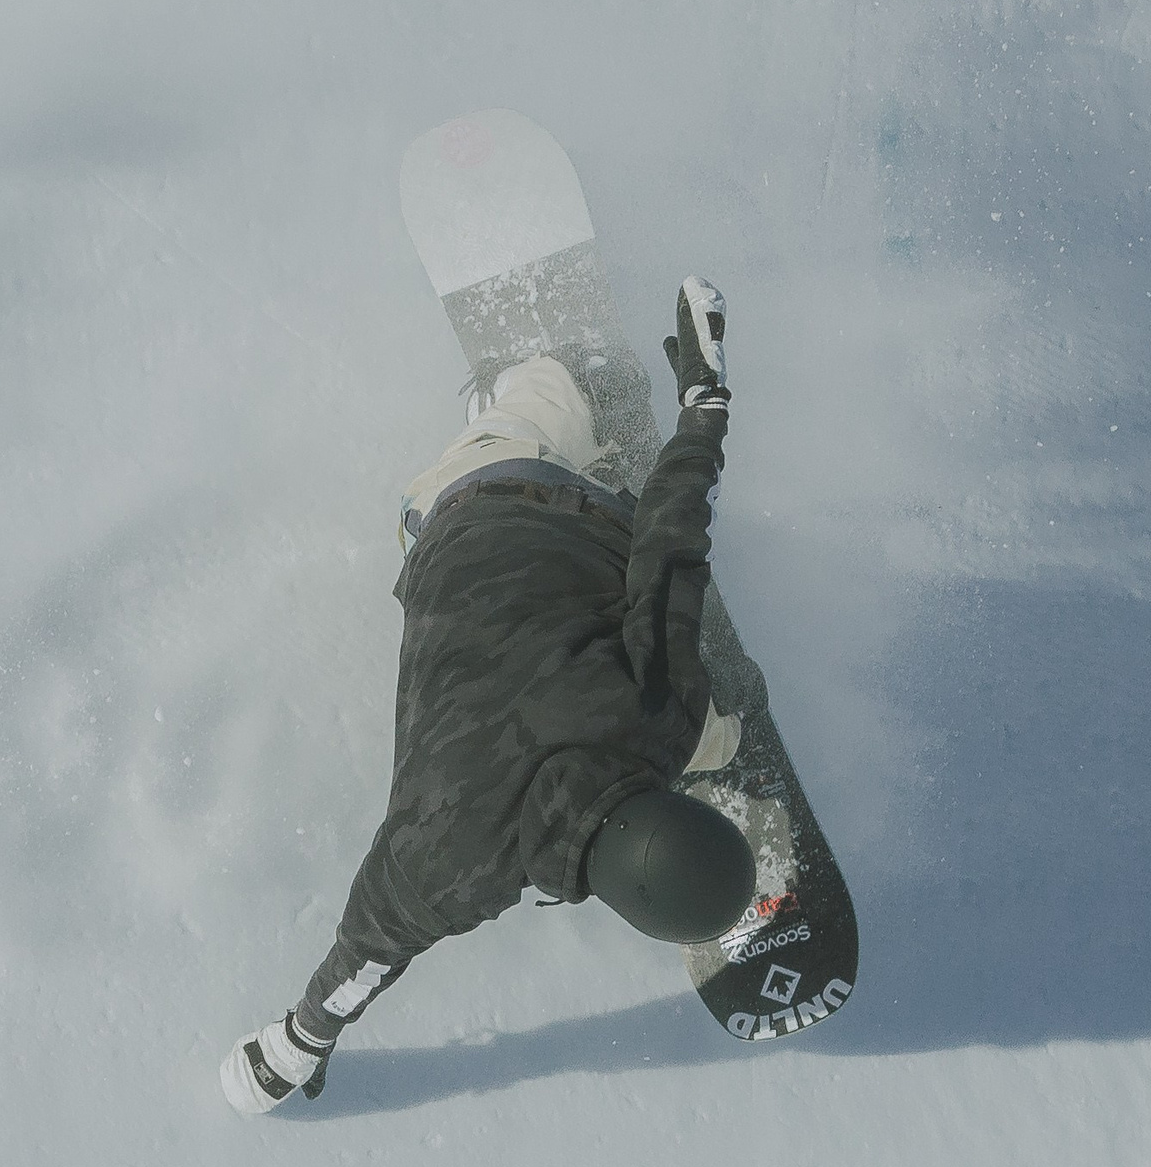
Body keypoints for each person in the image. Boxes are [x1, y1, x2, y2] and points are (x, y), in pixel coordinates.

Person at [220, 278, 756, 1113]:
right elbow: (366, 951)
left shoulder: (658, 712)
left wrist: (705, 406)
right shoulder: (449, 859)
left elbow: (676, 537)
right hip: (442, 521)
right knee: (708, 729)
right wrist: (292, 1044)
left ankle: (539, 389)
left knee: (554, 393)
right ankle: (529, 410)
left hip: (525, 494)